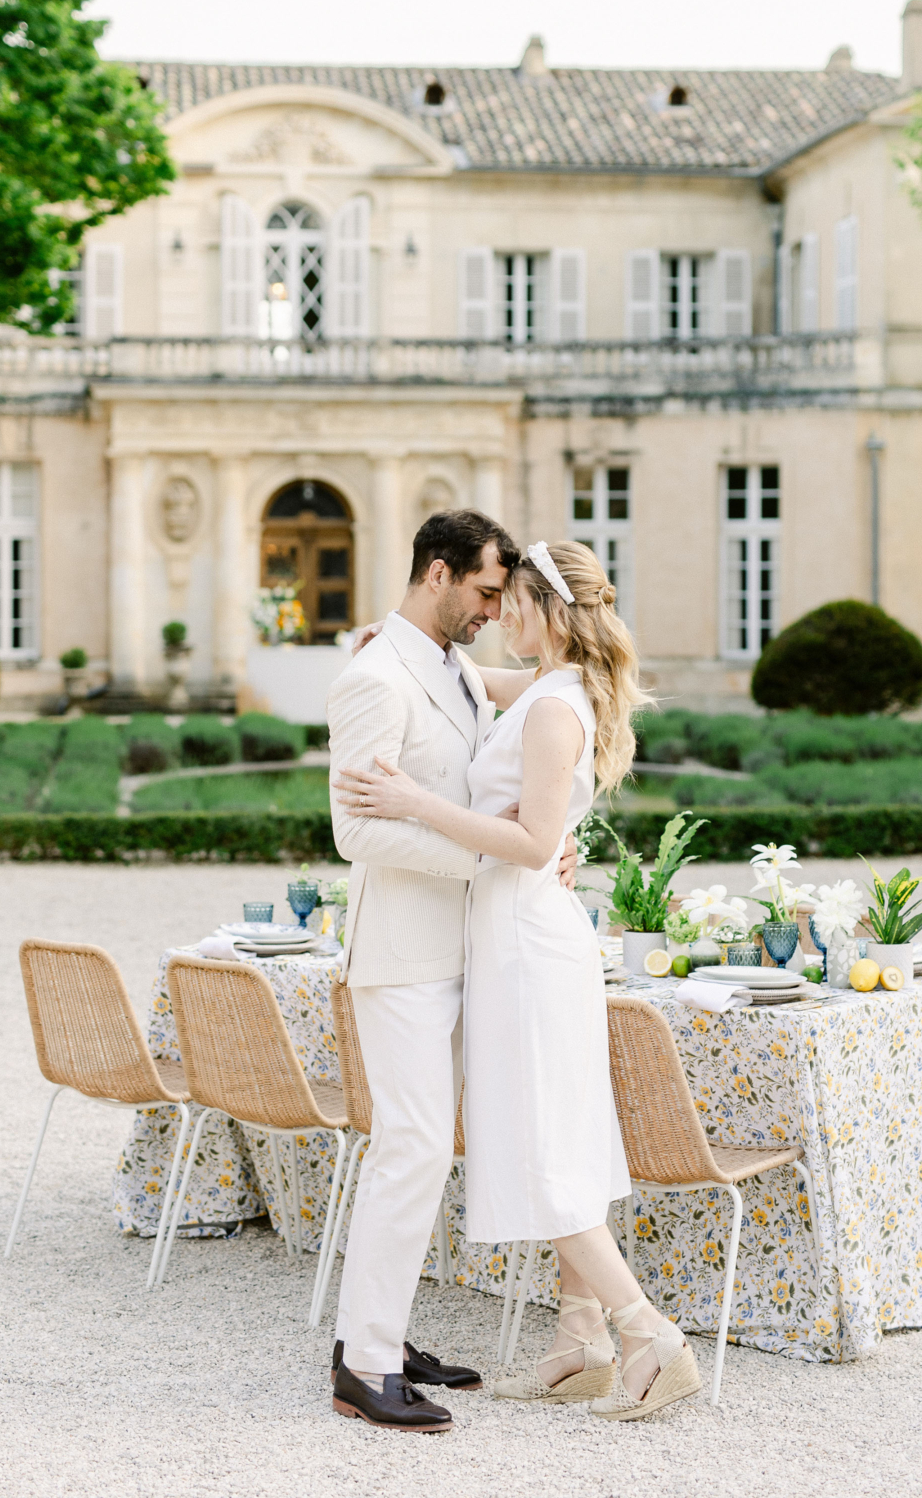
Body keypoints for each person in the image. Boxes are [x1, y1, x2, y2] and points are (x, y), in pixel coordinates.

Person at [336, 539, 702, 1423]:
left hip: (525, 942)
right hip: (517, 935)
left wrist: (427, 807)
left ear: (545, 606)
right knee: (561, 1135)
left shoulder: (550, 707)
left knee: (542, 1143)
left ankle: (648, 1336)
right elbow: (458, 684)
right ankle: (580, 1339)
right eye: (487, 596)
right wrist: (375, 641)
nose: (496, 614)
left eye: (510, 599)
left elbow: (534, 840)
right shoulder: (541, 689)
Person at [325, 509, 578, 1434]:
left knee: (428, 1150)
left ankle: (380, 1332)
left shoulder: (455, 666)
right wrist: (493, 860)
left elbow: (545, 707)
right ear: (437, 573)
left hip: (465, 948)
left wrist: (551, 836)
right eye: (481, 591)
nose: (491, 608)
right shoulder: (371, 676)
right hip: (400, 954)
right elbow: (355, 829)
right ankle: (364, 1363)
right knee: (415, 1147)